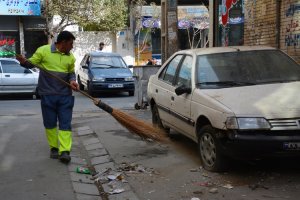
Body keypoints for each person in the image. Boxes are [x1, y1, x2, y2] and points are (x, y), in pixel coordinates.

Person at [16, 31, 79, 164]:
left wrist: (73, 81)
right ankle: (54, 148)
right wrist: (23, 62)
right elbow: (30, 63)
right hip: (48, 95)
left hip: (65, 96)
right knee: (50, 123)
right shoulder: (44, 51)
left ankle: (65, 151)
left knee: (65, 124)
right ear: (63, 43)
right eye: (71, 43)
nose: (72, 46)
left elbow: (71, 73)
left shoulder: (70, 57)